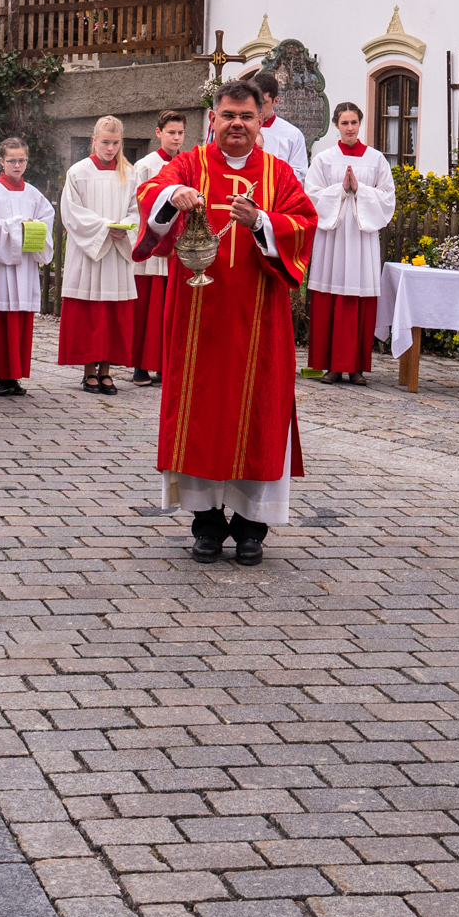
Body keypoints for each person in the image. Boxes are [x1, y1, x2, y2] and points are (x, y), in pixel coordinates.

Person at [132, 78, 318, 567]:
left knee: (261, 414)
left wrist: (261, 222)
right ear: (212, 119)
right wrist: (174, 194)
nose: (237, 124)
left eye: (246, 116)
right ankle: (207, 525)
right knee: (201, 416)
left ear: (261, 121)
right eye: (229, 115)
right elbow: (150, 191)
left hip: (260, 321)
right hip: (199, 322)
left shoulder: (279, 174)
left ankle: (252, 528)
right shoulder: (190, 164)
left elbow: (305, 223)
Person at [304, 101, 395, 385]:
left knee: (359, 296)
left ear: (360, 123)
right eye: (344, 123)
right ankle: (330, 366)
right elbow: (311, 196)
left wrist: (360, 189)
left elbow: (387, 198)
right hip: (332, 238)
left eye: (354, 122)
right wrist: (340, 190)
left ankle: (356, 367)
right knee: (329, 294)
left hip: (361, 238)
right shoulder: (324, 159)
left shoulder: (376, 159)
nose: (350, 128)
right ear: (336, 125)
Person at [58, 117, 138, 395]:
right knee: (90, 313)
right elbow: (72, 212)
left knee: (112, 313)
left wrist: (125, 227)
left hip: (117, 251)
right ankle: (88, 372)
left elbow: (137, 209)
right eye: (105, 142)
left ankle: (106, 372)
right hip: (89, 251)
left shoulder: (129, 173)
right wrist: (105, 227)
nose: (110, 148)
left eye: (115, 143)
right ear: (94, 141)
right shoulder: (78, 172)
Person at [0, 136, 52, 396]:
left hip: (24, 266)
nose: (17, 165)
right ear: (1, 161)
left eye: (22, 160)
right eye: (12, 161)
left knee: (19, 321)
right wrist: (17, 226)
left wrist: (34, 228)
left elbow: (46, 218)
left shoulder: (33, 193)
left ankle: (12, 375)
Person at [130, 110, 189, 386]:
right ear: (158, 133)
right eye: (171, 133)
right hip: (153, 246)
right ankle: (140, 366)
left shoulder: (187, 164)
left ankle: (165, 365)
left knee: (170, 308)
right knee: (147, 308)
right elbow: (136, 203)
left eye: (180, 133)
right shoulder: (145, 165)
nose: (176, 138)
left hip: (177, 247)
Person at [250, 69, 307, 172]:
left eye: (263, 102)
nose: (257, 107)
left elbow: (299, 172)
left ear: (275, 101)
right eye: (254, 101)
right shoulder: (239, 128)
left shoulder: (292, 135)